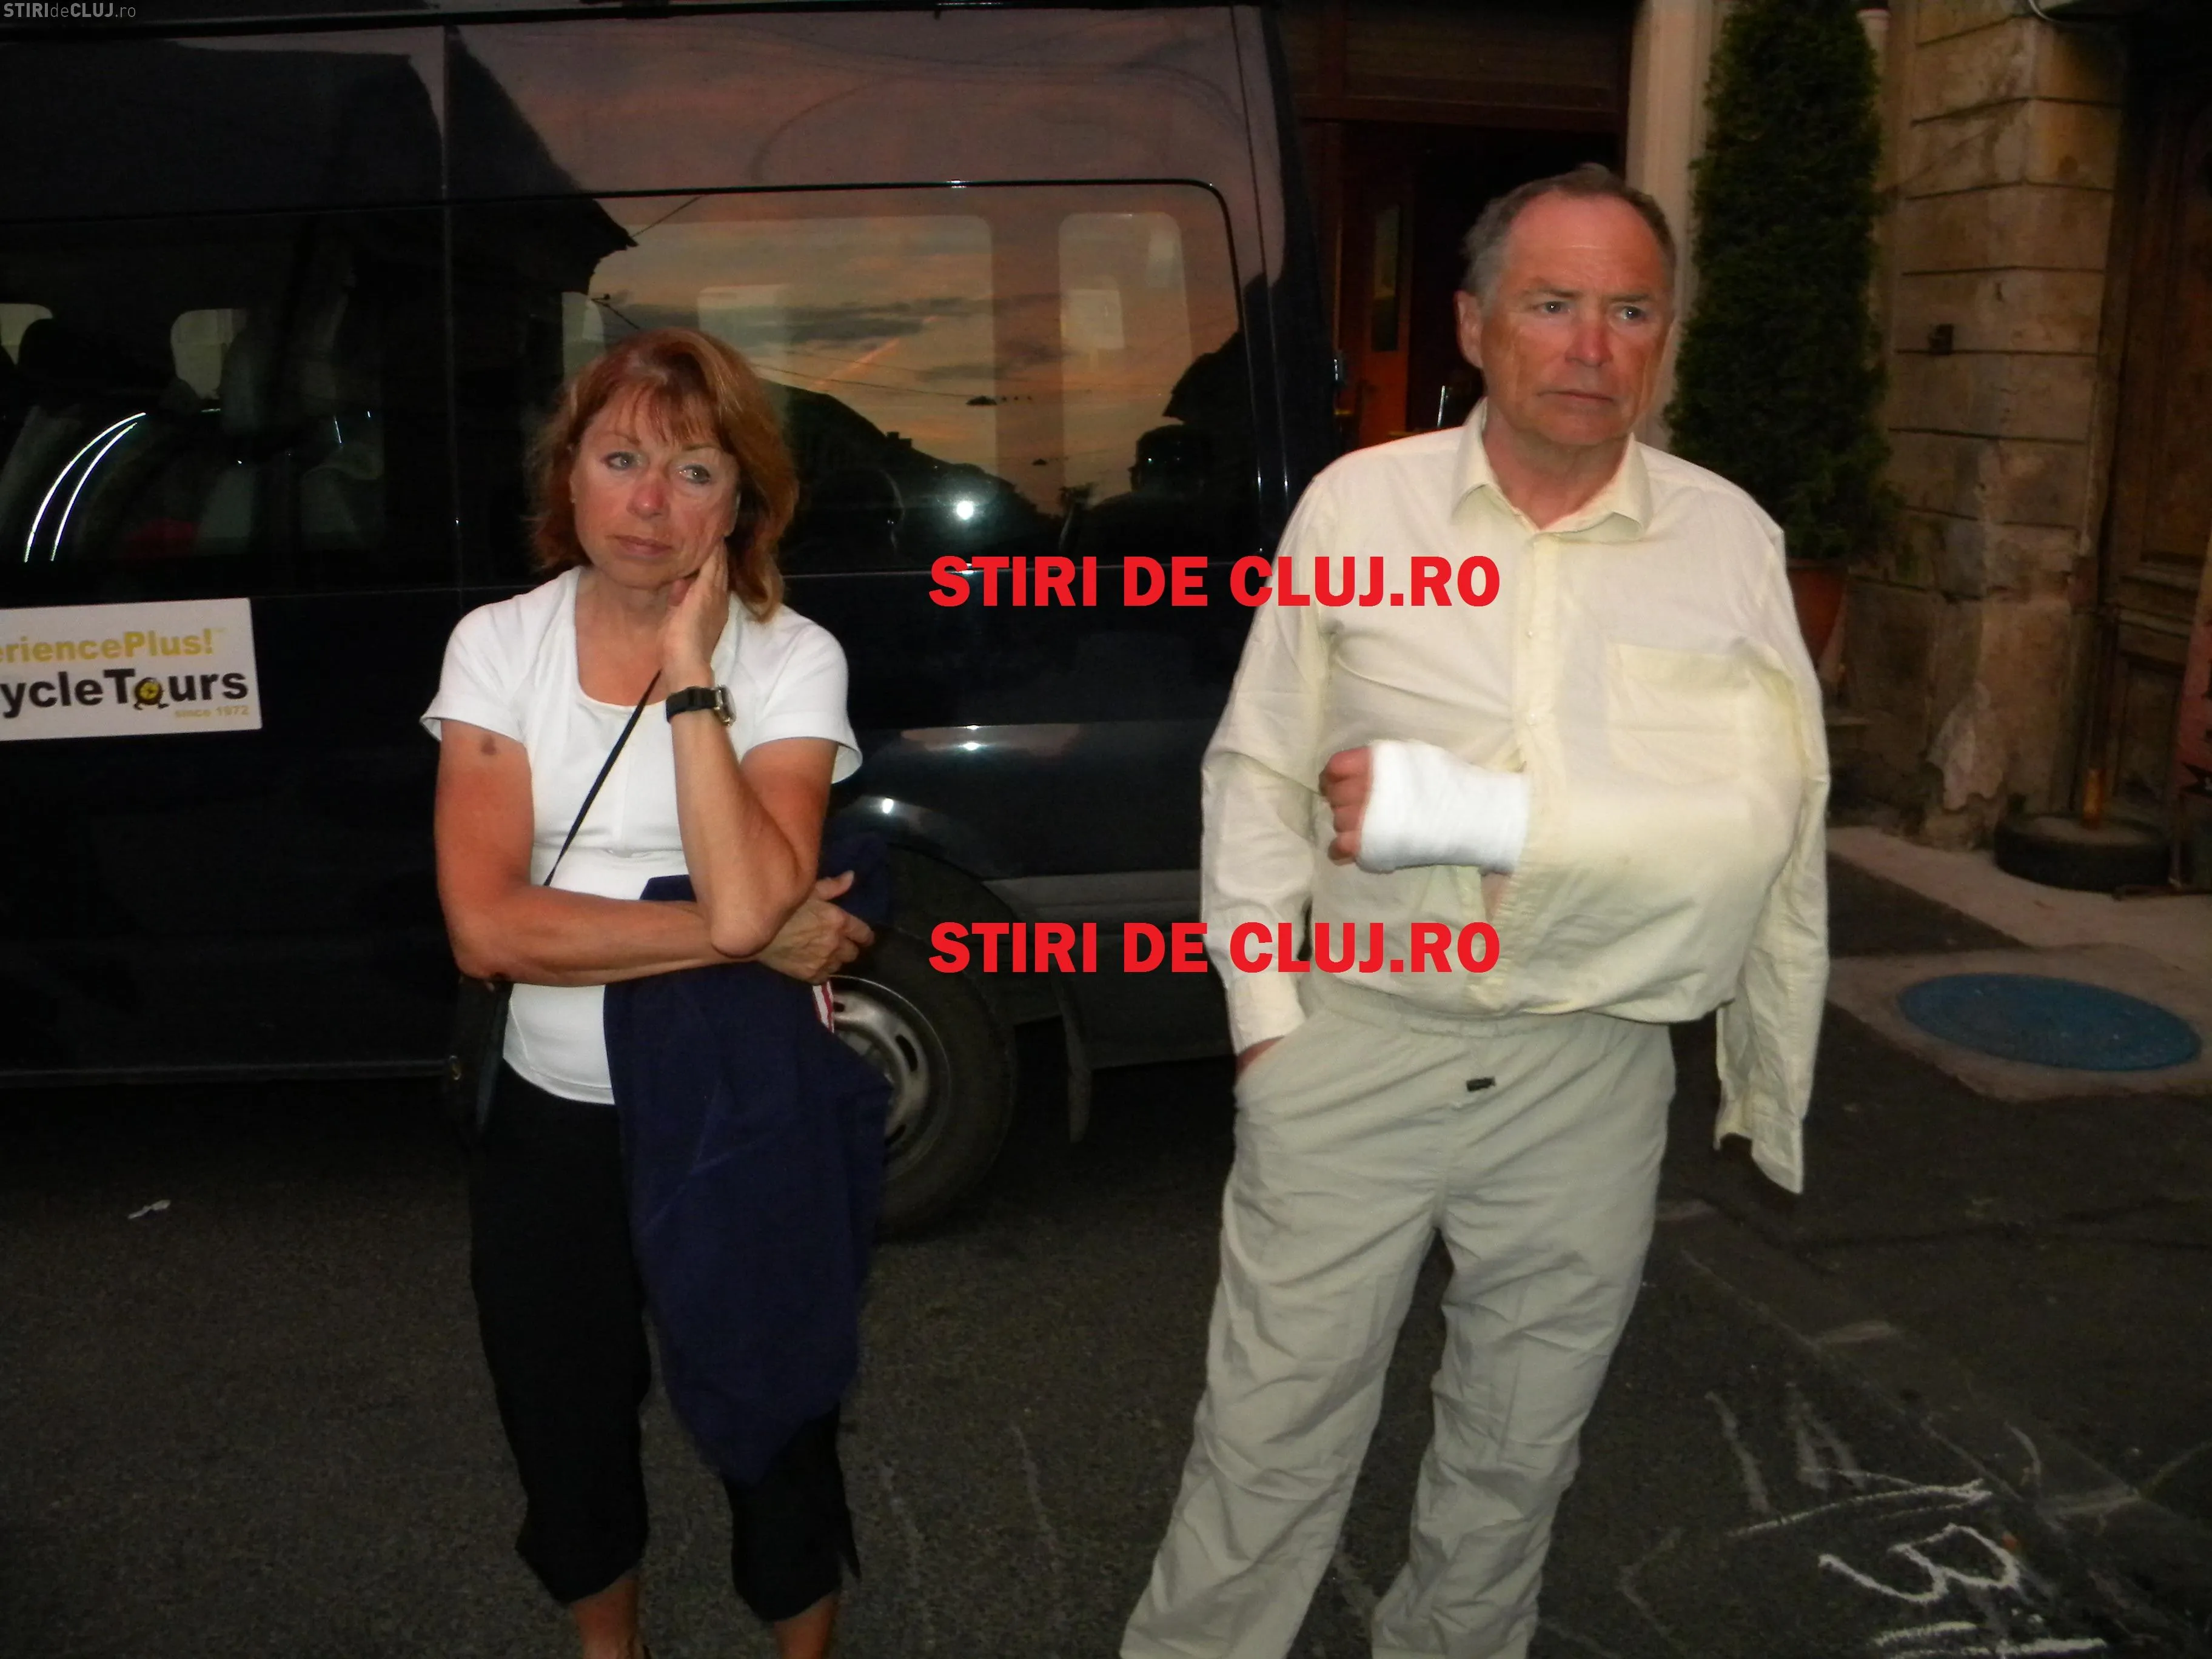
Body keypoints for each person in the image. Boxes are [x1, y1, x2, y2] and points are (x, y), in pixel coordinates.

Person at [1121, 164, 1829, 1659]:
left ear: (1665, 334)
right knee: (1266, 1440)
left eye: (1631, 311)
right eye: (1553, 304)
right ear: (1473, 324)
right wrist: (1266, 1028)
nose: (1592, 347)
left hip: (1592, 1061)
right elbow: (1257, 774)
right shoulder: (1359, 507)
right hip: (1358, 1043)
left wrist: (1492, 821)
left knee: (1517, 1455)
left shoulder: (1726, 544)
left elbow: (1760, 824)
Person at [424, 327, 873, 1659]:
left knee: (776, 1405)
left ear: (742, 505)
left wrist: (692, 678)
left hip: (740, 1104)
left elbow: (743, 897)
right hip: (550, 1117)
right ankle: (607, 1649)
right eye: (620, 461)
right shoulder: (497, 645)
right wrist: (750, 939)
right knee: (560, 1414)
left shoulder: (792, 657)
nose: (649, 504)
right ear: (567, 476)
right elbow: (487, 928)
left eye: (694, 471)